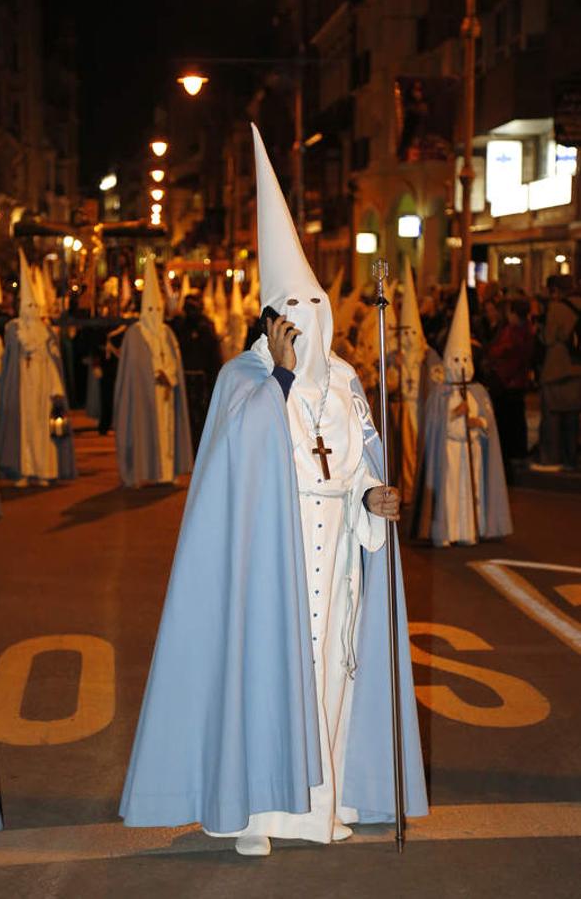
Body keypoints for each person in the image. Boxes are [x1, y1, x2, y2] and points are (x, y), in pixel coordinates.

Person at [119, 123, 428, 856]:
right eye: (292, 310)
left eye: (315, 306)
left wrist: (372, 499)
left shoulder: (351, 381)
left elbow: (358, 469)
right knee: (265, 678)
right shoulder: (245, 379)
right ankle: (256, 812)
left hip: (338, 561)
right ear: (269, 317)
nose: (307, 323)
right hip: (271, 565)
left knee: (332, 678)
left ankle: (321, 808)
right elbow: (240, 462)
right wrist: (283, 379)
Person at [411, 282, 512, 547]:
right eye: (456, 360)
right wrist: (456, 413)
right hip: (450, 451)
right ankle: (446, 532)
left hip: (472, 449)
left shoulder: (478, 391)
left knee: (471, 490)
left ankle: (468, 530)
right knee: (450, 492)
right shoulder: (441, 393)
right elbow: (435, 425)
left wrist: (477, 421)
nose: (461, 366)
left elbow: (487, 423)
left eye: (465, 360)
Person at [0, 251, 76, 488]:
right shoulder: (13, 329)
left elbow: (53, 361)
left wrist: (56, 389)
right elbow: (8, 360)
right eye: (27, 305)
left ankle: (43, 470)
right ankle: (21, 471)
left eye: (34, 305)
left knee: (42, 431)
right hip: (22, 388)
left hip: (42, 389)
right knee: (23, 431)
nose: (31, 309)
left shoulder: (46, 332)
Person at [113, 257, 193, 487]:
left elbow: (173, 359)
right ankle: (139, 472)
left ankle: (167, 472)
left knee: (167, 432)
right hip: (143, 395)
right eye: (150, 308)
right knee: (143, 432)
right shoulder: (134, 334)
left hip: (166, 392)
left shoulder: (167, 332)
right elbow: (131, 369)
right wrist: (153, 372)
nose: (154, 313)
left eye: (157, 308)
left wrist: (168, 374)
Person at [389, 257, 441, 504]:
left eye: (413, 333)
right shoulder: (395, 356)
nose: (408, 338)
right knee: (407, 453)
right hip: (404, 408)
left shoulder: (428, 356)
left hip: (422, 407)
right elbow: (387, 383)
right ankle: (409, 490)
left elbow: (438, 380)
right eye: (405, 332)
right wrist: (393, 366)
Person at [533, 275, 581, 471]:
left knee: (552, 417)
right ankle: (572, 459)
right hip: (577, 369)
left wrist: (540, 326)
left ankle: (552, 458)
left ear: (555, 289)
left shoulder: (557, 308)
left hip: (557, 370)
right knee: (572, 418)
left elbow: (549, 337)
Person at [485, 299, 534, 479]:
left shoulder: (512, 333)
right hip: (518, 382)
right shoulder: (528, 330)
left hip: (506, 383)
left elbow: (499, 352)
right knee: (517, 422)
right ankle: (518, 456)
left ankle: (508, 463)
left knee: (505, 425)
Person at [169, 292, 222, 450]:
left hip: (202, 380)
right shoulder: (179, 326)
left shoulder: (206, 326)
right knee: (184, 416)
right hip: (184, 378)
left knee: (202, 416)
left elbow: (213, 356)